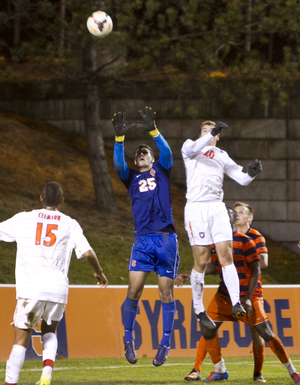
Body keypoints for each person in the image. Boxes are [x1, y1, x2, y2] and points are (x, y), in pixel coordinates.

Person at [177, 209, 300, 384]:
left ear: (231, 221)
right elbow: (213, 267)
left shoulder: (246, 241)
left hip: (246, 296)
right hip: (224, 295)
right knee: (207, 328)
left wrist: (248, 298)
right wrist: (189, 274)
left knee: (266, 333)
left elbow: (257, 269)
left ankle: (292, 371)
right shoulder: (214, 243)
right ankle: (219, 369)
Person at [3, 182, 108, 385]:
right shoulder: (70, 223)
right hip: (57, 290)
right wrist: (99, 272)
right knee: (49, 330)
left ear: (41, 198)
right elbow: (87, 253)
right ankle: (47, 374)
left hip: (31, 287)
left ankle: (10, 382)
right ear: (61, 201)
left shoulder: (23, 219)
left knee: (20, 339)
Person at [112, 106, 179, 367]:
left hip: (165, 240)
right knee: (134, 290)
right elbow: (118, 164)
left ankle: (164, 345)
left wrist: (153, 131)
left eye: (145, 152)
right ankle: (128, 341)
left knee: (166, 293)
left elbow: (169, 153)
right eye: (138, 152)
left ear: (152, 159)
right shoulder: (130, 178)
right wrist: (119, 139)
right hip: (142, 241)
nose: (141, 153)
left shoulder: (162, 170)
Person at [181, 120, 263, 328]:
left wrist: (251, 174)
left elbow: (241, 179)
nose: (208, 134)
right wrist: (210, 134)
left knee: (227, 256)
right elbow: (194, 148)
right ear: (200, 135)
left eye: (213, 132)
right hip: (197, 208)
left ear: (219, 136)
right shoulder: (190, 147)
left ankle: (236, 302)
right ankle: (198, 308)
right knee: (201, 260)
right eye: (205, 131)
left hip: (217, 208)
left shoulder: (222, 156)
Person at [234, 201, 268, 382]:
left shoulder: (255, 236)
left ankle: (258, 372)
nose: (237, 214)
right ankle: (198, 369)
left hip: (251, 290)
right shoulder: (226, 235)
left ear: (249, 218)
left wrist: (243, 263)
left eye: (241, 212)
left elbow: (263, 262)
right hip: (229, 290)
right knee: (212, 323)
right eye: (235, 211)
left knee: (258, 332)